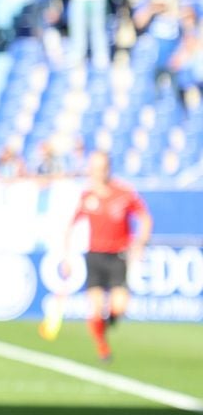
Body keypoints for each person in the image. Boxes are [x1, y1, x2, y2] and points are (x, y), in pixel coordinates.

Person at [60, 151, 151, 363]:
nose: (97, 173)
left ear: (108, 168)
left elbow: (144, 218)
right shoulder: (87, 196)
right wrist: (66, 257)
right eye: (93, 169)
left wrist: (139, 243)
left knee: (119, 307)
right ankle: (103, 349)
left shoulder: (124, 193)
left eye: (100, 168)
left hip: (118, 257)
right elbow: (70, 227)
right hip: (95, 257)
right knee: (96, 305)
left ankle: (104, 325)